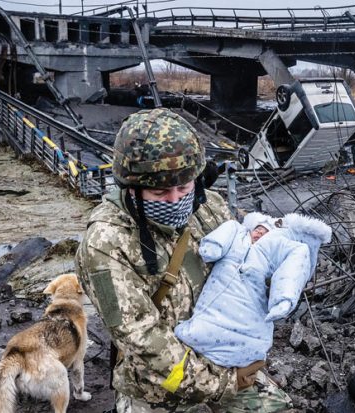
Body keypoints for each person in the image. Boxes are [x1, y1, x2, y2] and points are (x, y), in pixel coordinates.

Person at [76, 108, 293, 412]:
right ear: (131, 188)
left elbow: (248, 266)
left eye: (184, 187)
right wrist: (225, 382)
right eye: (160, 191)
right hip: (159, 385)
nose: (175, 199)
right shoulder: (105, 244)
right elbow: (143, 339)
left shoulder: (208, 208)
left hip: (222, 356)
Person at [174, 212, 332, 368]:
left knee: (253, 332)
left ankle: (244, 356)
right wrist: (213, 246)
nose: (259, 233)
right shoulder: (237, 234)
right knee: (205, 325)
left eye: (265, 232)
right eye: (257, 228)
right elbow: (227, 230)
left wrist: (284, 298)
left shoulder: (271, 248)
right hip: (219, 297)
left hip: (250, 299)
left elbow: (294, 264)